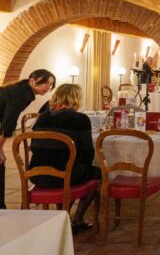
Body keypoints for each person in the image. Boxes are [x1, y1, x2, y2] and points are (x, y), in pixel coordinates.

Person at [29, 83, 101, 232]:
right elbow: (88, 153)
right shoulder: (80, 119)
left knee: (74, 169)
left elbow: (34, 146)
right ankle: (76, 219)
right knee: (96, 174)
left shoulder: (42, 117)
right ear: (76, 99)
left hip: (37, 174)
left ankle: (62, 216)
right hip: (64, 177)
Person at [0, 68, 55, 209]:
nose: (48, 88)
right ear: (32, 80)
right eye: (46, 84)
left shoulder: (24, 90)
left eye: (51, 85)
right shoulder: (21, 93)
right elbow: (8, 122)